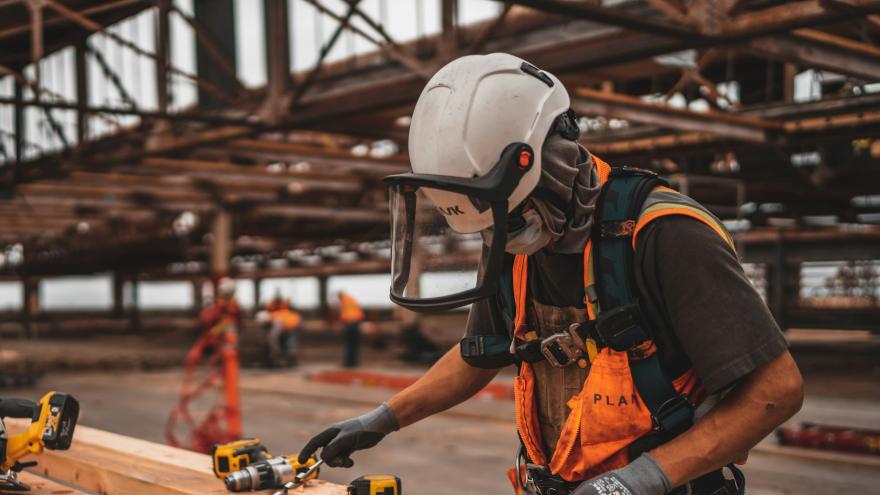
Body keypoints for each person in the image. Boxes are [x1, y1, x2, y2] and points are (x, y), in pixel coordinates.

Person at [298, 53, 804, 495]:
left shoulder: (664, 233)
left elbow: (776, 390)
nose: (508, 238)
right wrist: (382, 419)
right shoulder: (510, 231)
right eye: (495, 225)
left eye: (513, 218)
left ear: (550, 162)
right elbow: (481, 354)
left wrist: (642, 480)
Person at [337, 291, 365, 368]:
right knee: (354, 344)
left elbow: (345, 313)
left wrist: (344, 322)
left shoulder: (344, 301)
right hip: (356, 322)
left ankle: (349, 363)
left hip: (350, 323)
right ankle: (353, 362)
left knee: (349, 344)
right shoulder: (351, 299)